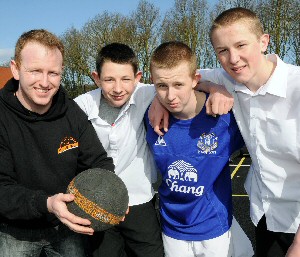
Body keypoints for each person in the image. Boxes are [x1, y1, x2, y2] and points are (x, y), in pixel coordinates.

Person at [150, 7, 300, 257]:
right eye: (222, 51)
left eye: (241, 45)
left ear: (264, 42)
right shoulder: (229, 77)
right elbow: (180, 80)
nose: (233, 58)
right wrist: (160, 99)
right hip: (266, 217)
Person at [0, 29, 115, 257]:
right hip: (14, 232)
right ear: (15, 69)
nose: (45, 82)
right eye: (35, 71)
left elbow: (99, 163)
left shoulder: (72, 112)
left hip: (68, 226)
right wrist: (47, 203)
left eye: (53, 73)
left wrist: (109, 194)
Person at [144, 41, 254, 257]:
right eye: (162, 87)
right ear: (153, 84)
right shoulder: (149, 115)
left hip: (213, 228)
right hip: (171, 228)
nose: (170, 96)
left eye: (178, 85)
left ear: (195, 80)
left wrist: (214, 87)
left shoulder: (224, 118)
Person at [74, 43, 164, 257]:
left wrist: (215, 90)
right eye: (109, 80)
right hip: (97, 203)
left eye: (125, 79)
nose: (118, 88)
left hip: (139, 199)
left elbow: (188, 79)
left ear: (138, 77)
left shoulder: (148, 94)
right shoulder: (80, 107)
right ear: (96, 78)